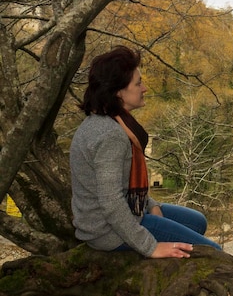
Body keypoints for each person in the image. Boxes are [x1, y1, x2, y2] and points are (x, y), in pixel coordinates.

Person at [70, 45, 222, 259]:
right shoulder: (109, 134)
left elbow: (124, 184)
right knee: (213, 254)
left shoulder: (114, 122)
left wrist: (151, 204)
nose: (145, 88)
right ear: (118, 91)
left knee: (197, 222)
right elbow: (111, 202)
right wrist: (151, 247)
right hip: (107, 231)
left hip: (126, 214)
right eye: (138, 83)